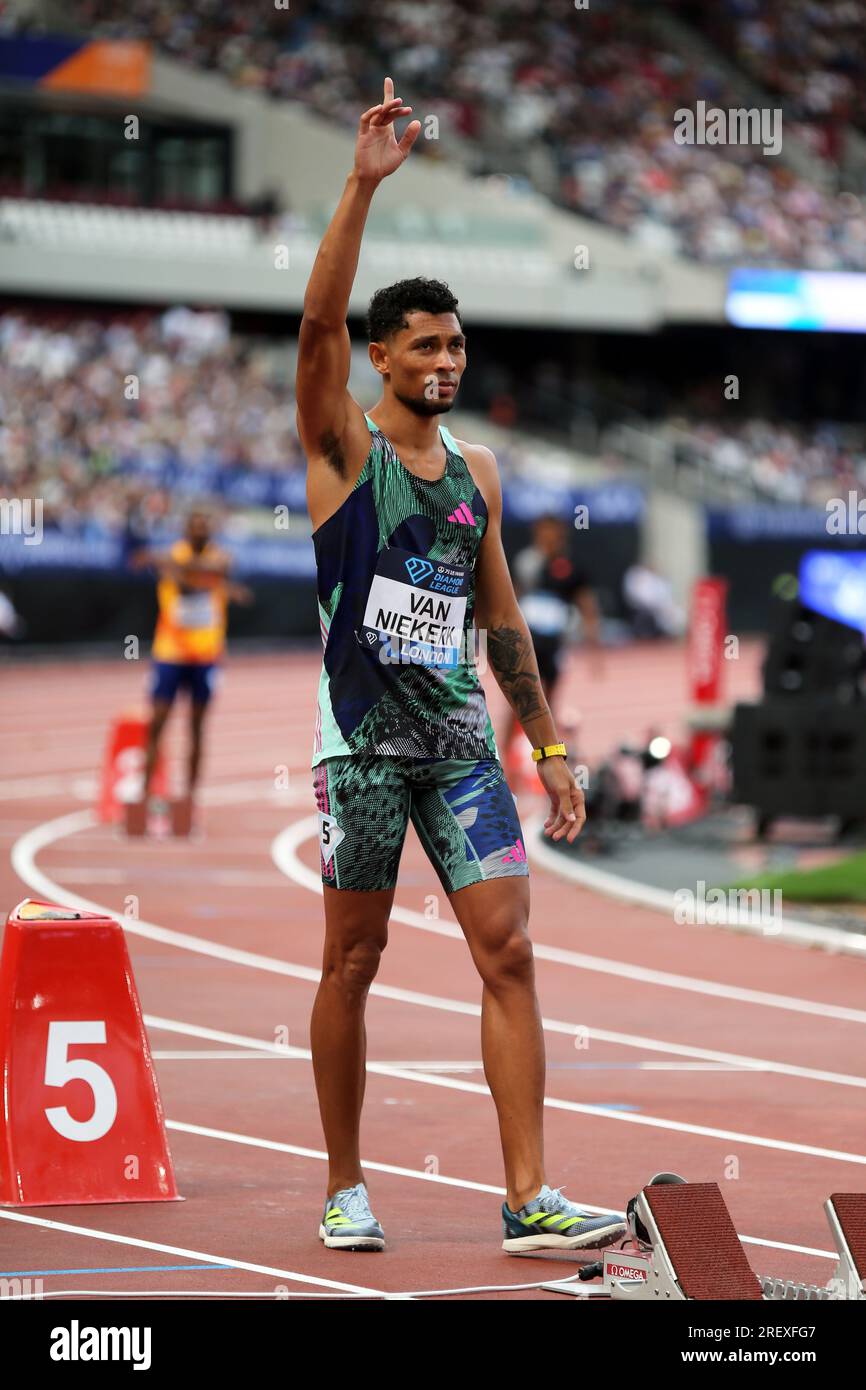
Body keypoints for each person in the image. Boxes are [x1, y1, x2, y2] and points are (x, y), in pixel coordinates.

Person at [295, 76, 626, 1255]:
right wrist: (360, 183)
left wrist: (544, 744)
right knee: (354, 957)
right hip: (361, 755)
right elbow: (315, 326)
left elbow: (502, 625)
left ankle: (528, 1195)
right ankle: (343, 1182)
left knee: (511, 949)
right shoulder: (342, 448)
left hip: (453, 750)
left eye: (457, 345)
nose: (446, 359)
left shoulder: (477, 472)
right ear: (380, 355)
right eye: (425, 344)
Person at [131, 509, 250, 819]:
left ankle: (189, 800)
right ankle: (144, 795)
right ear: (186, 530)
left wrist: (169, 564)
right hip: (169, 653)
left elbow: (218, 567)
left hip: (205, 655)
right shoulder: (175, 555)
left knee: (196, 727)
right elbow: (185, 581)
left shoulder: (214, 558)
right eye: (194, 526)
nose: (199, 531)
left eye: (204, 526)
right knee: (157, 723)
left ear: (209, 531)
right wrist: (188, 571)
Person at [504, 513, 601, 776]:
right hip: (526, 640)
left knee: (547, 703)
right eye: (542, 531)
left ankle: (547, 761)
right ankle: (504, 759)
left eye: (552, 531)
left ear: (561, 534)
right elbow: (510, 596)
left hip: (555, 644)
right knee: (518, 699)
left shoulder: (572, 565)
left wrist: (595, 651)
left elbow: (587, 606)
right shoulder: (525, 562)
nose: (547, 536)